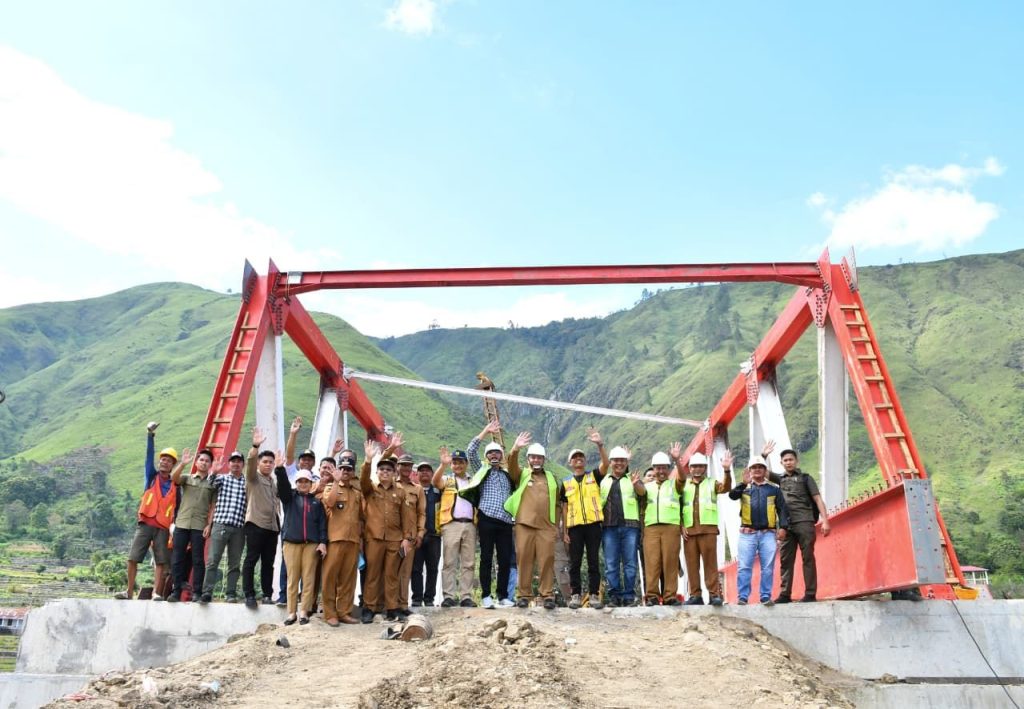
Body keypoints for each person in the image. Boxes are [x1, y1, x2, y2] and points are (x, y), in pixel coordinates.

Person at [761, 443, 831, 603]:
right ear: (781, 463)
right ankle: (785, 594)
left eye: (791, 459)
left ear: (796, 461)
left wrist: (825, 521)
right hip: (786, 525)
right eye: (785, 460)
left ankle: (810, 594)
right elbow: (761, 472)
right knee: (786, 559)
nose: (788, 462)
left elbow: (818, 499)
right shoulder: (780, 479)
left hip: (805, 522)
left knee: (808, 558)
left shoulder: (806, 478)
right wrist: (764, 456)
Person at [116, 423, 179, 600]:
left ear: (173, 464)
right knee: (133, 557)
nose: (164, 462)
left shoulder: (176, 485)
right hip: (145, 524)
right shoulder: (151, 476)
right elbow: (148, 456)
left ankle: (156, 593)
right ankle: (128, 591)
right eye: (162, 459)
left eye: (168, 460)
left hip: (163, 527)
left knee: (161, 561)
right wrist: (150, 435)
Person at [459, 421, 516, 609]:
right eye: (490, 453)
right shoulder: (481, 471)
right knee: (486, 557)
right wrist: (486, 431)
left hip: (506, 521)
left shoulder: (508, 475)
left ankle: (503, 596)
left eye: (497, 452)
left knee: (505, 559)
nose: (494, 455)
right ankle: (485, 596)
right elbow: (470, 451)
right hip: (487, 518)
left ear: (501, 456)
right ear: (486, 457)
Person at [361, 439, 416, 623]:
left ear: (394, 473)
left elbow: (407, 517)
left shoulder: (400, 492)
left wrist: (407, 539)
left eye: (389, 470)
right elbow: (362, 480)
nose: (385, 472)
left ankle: (392, 608)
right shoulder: (370, 489)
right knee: (372, 574)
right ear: (377, 472)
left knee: (392, 575)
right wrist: (368, 461)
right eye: (382, 469)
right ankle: (369, 607)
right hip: (374, 538)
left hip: (394, 539)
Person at [505, 433, 562, 609]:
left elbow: (558, 504)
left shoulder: (551, 478)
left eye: (539, 457)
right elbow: (511, 467)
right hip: (525, 524)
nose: (536, 459)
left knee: (547, 560)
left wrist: (556, 525)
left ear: (544, 459)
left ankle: (547, 595)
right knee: (525, 559)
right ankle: (524, 595)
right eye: (533, 457)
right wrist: (515, 449)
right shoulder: (522, 474)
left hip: (547, 526)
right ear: (528, 458)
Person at [728, 456, 789, 605]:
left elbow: (782, 509)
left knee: (767, 567)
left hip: (768, 534)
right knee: (744, 567)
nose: (757, 470)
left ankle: (765, 596)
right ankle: (742, 597)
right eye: (754, 467)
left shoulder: (774, 489)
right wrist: (743, 483)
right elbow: (732, 496)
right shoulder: (744, 488)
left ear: (765, 470)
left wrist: (783, 527)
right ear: (749, 470)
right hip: (747, 534)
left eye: (760, 467)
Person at [275, 453, 327, 625]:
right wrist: (280, 469)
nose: (303, 484)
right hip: (291, 544)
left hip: (311, 545)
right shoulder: (289, 498)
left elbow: (322, 525)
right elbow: (282, 486)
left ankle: (304, 611)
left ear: (311, 484)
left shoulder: (316, 503)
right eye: (300, 482)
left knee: (309, 578)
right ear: (296, 484)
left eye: (306, 482)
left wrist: (322, 542)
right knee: (292, 579)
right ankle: (291, 613)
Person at [561, 428, 608, 609]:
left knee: (593, 561)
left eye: (581, 457)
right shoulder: (565, 483)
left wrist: (600, 445)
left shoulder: (593, 476)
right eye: (575, 457)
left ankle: (594, 595)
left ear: (585, 460)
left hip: (593, 525)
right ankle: (575, 595)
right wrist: (565, 531)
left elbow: (605, 464)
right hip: (575, 527)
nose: (578, 459)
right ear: (570, 462)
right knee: (575, 562)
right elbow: (564, 508)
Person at [681, 450, 733, 606]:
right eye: (694, 466)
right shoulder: (683, 486)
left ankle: (714, 594)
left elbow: (726, 487)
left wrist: (726, 470)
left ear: (705, 468)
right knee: (692, 565)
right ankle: (695, 595)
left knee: (710, 564)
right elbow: (678, 507)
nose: (697, 469)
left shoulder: (712, 483)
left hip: (708, 529)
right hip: (689, 531)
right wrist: (681, 526)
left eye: (700, 466)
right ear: (689, 469)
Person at [318, 453, 363, 625]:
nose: (345, 471)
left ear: (353, 471)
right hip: (335, 539)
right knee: (330, 577)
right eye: (342, 468)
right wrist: (336, 481)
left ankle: (344, 611)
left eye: (348, 469)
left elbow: (362, 515)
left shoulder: (356, 492)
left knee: (348, 578)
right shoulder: (331, 486)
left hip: (353, 540)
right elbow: (329, 502)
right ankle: (330, 613)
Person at [276, 416, 317, 606]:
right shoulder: (294, 475)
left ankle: (303, 601)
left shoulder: (315, 479)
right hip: (291, 524)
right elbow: (289, 457)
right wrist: (293, 434)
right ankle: (284, 596)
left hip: (309, 529)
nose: (306, 462)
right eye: (304, 459)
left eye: (310, 460)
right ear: (299, 462)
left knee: (307, 568)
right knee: (288, 564)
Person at [168, 448, 217, 602]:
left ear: (210, 465)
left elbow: (213, 506)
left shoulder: (212, 484)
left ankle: (197, 592)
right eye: (201, 460)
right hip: (182, 523)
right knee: (177, 558)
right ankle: (175, 592)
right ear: (196, 462)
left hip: (199, 526)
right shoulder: (187, 478)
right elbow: (173, 478)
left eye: (207, 461)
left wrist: (209, 525)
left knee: (198, 560)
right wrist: (182, 463)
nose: (203, 463)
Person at [200, 450, 248, 603]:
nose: (236, 464)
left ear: (243, 464)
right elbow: (209, 483)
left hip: (239, 527)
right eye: (233, 461)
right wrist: (213, 472)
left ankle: (231, 593)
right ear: (229, 464)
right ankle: (207, 592)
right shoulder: (222, 479)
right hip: (220, 524)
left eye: (239, 461)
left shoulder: (247, 483)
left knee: (234, 563)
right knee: (213, 560)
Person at [432, 447, 477, 607]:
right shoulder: (448, 479)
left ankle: (466, 596)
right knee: (450, 562)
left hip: (470, 525)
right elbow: (435, 482)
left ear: (466, 463)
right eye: (454, 463)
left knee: (468, 563)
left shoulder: (473, 481)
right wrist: (442, 465)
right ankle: (449, 596)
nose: (457, 465)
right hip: (451, 524)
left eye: (461, 462)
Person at [600, 445, 644, 607]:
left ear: (627, 462)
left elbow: (642, 493)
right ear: (610, 462)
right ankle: (614, 596)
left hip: (630, 526)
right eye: (616, 460)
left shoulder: (632, 478)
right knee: (611, 563)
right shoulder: (603, 481)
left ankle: (629, 596)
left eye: (622, 460)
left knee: (630, 563)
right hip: (609, 527)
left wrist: (636, 483)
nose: (619, 463)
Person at [242, 427, 282, 609]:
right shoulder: (253, 478)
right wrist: (255, 447)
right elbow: (250, 462)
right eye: (265, 461)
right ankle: (249, 594)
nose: (268, 464)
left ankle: (267, 594)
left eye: (271, 462)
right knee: (251, 560)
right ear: (259, 463)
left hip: (272, 527)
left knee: (269, 562)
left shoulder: (273, 482)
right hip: (256, 524)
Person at [639, 451, 684, 606]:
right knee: (652, 562)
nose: (661, 471)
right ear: (653, 468)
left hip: (671, 526)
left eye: (664, 467)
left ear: (669, 468)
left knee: (670, 562)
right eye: (657, 468)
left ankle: (670, 596)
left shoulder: (675, 484)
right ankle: (651, 596)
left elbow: (683, 478)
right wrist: (635, 483)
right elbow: (639, 492)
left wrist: (678, 460)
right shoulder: (647, 486)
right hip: (651, 527)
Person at [396, 453, 426, 612]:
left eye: (409, 465)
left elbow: (422, 513)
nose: (406, 468)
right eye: (403, 465)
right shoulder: (392, 485)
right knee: (389, 570)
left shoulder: (418, 489)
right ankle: (389, 604)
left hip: (410, 536)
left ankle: (402, 604)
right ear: (398, 467)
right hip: (392, 535)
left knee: (405, 571)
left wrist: (420, 533)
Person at [411, 461, 442, 607]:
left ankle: (429, 598)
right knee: (416, 568)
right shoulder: (413, 490)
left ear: (432, 473)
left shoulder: (438, 491)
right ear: (416, 474)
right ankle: (417, 598)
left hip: (434, 535)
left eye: (428, 470)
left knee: (432, 568)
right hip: (417, 535)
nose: (424, 473)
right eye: (421, 470)